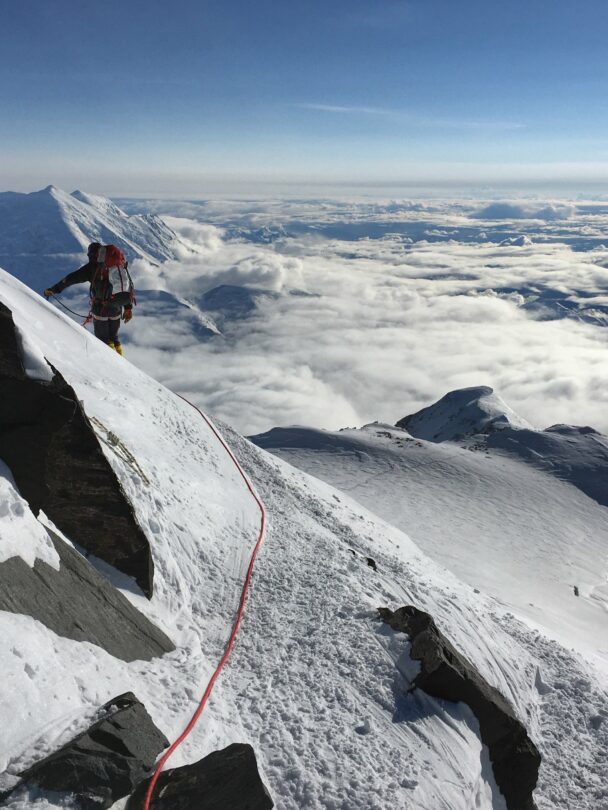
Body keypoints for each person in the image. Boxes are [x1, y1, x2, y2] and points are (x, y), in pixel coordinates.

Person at [44, 242, 133, 355]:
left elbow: (71, 278)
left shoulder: (91, 268)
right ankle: (122, 363)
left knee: (104, 341)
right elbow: (123, 287)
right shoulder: (115, 266)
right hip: (116, 309)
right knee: (114, 339)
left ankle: (110, 367)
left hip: (100, 310)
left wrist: (54, 289)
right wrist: (128, 307)